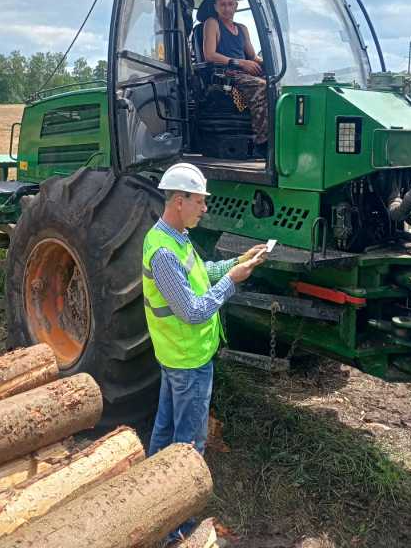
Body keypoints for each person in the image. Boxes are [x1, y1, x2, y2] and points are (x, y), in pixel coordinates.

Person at [143, 162, 266, 543]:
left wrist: (236, 262)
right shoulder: (163, 251)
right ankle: (175, 527)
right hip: (187, 362)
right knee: (188, 446)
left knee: (164, 433)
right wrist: (231, 283)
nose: (205, 208)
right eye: (200, 201)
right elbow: (193, 311)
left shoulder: (176, 238)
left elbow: (202, 273)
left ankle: (147, 502)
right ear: (179, 201)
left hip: (181, 357)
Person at [202, 0, 268, 158]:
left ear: (236, 6)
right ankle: (262, 143)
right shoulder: (212, 23)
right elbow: (209, 55)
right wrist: (240, 62)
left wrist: (269, 64)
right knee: (261, 87)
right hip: (226, 73)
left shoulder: (242, 29)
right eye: (222, 4)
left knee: (276, 83)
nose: (227, 8)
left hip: (245, 72)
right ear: (216, 7)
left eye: (230, 4)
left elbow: (253, 56)